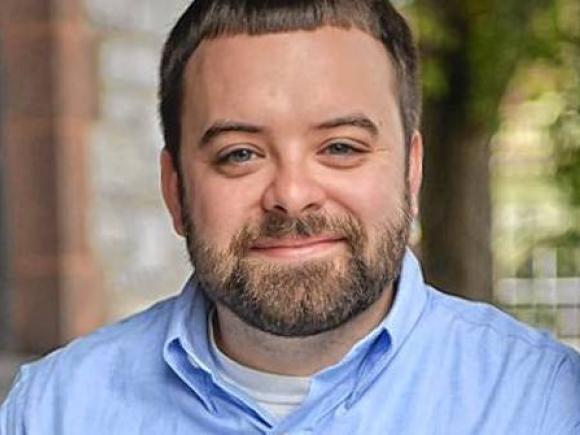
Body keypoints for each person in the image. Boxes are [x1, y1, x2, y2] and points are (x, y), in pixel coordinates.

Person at [1, 0, 579, 433]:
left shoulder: (542, 403)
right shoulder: (54, 412)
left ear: (411, 170)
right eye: (240, 154)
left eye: (342, 147)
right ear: (175, 189)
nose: (293, 195)